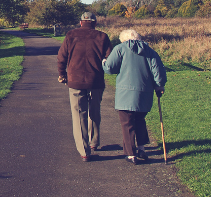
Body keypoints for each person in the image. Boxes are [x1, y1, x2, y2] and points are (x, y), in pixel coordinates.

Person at [102, 29, 167, 165]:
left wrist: (103, 62)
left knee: (127, 123)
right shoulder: (150, 51)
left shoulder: (120, 49)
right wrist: (159, 86)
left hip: (125, 94)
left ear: (123, 39)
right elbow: (158, 71)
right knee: (140, 120)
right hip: (145, 93)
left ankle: (130, 154)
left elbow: (109, 68)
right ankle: (141, 148)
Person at [57, 12, 112, 162]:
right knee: (94, 112)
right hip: (96, 81)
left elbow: (61, 57)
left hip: (75, 81)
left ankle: (84, 151)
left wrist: (62, 74)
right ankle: (94, 142)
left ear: (81, 22)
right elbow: (109, 58)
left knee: (79, 115)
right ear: (95, 23)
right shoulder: (102, 37)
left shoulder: (71, 35)